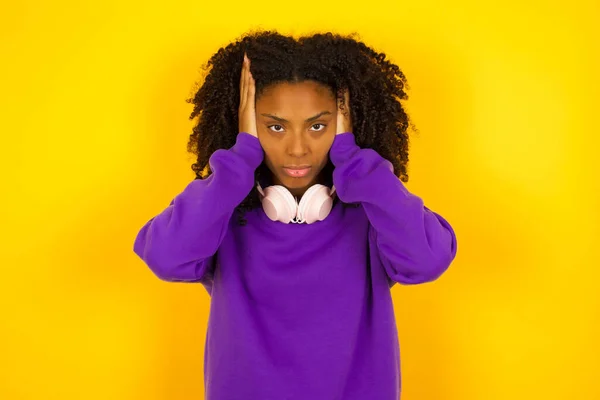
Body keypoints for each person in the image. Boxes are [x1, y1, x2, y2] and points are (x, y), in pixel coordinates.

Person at [133, 29, 457, 400]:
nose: (298, 148)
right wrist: (236, 163)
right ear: (248, 127)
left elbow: (428, 261)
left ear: (346, 124)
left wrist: (357, 165)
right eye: (274, 126)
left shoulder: (374, 213)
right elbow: (166, 258)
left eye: (318, 126)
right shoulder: (219, 214)